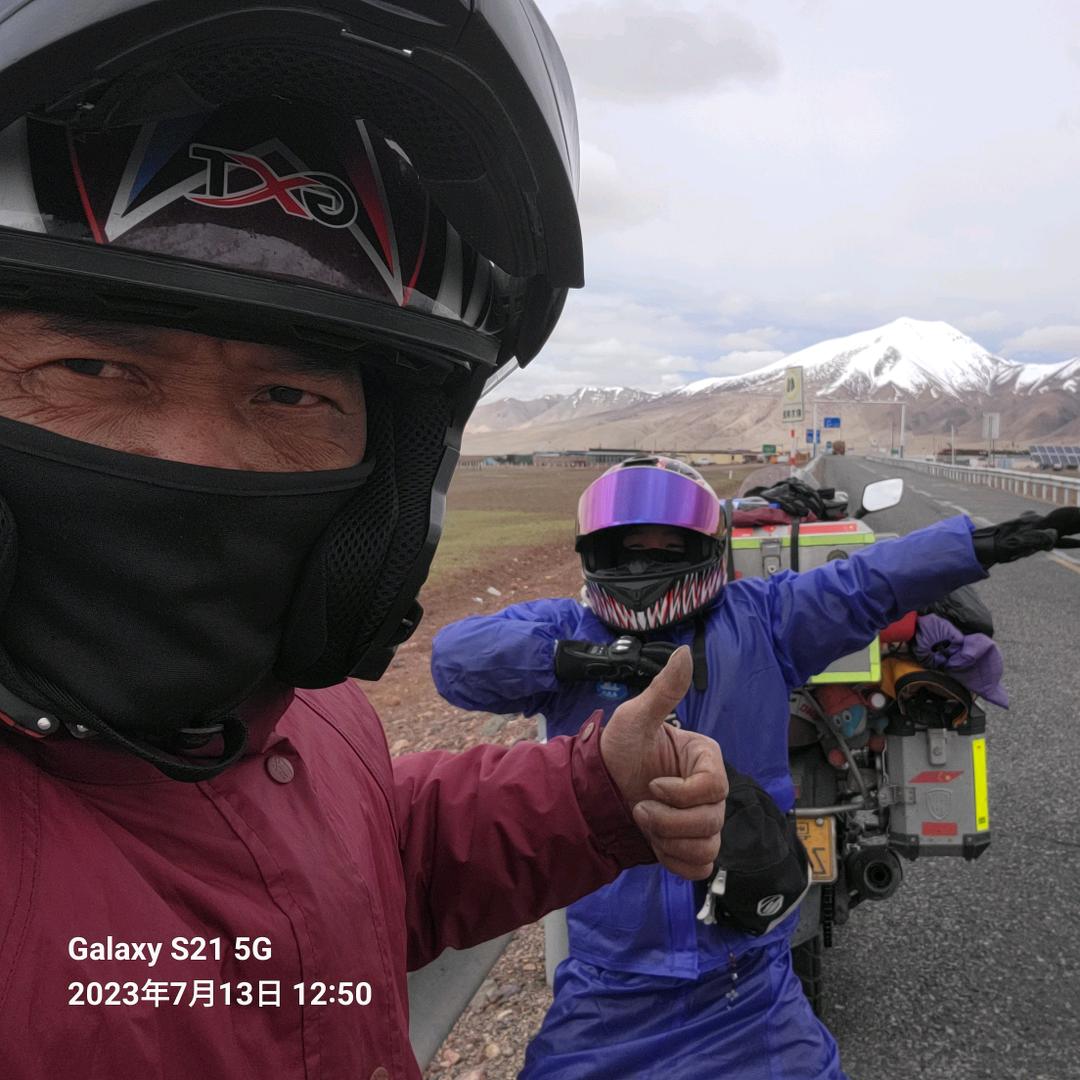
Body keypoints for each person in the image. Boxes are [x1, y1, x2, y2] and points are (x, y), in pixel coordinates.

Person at [0, 8, 731, 1079]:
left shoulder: (304, 712)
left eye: (289, 393)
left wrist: (588, 794)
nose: (210, 460)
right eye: (93, 369)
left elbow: (351, 873)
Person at [431, 455, 1080, 1079]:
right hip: (609, 988)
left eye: (665, 549)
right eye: (625, 547)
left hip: (749, 981)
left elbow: (867, 582)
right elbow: (454, 660)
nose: (643, 563)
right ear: (595, 552)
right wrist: (574, 660)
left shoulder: (766, 621)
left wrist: (983, 544)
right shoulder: (568, 628)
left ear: (705, 549)